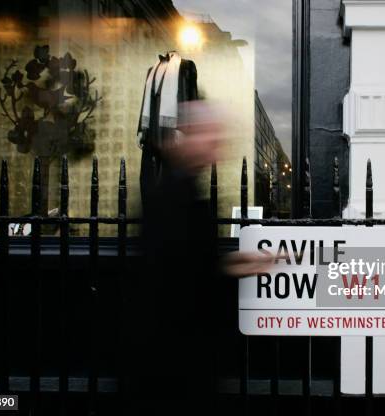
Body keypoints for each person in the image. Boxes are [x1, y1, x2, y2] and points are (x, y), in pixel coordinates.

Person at [124, 100, 272, 415]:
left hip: (182, 361)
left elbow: (194, 263)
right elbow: (177, 278)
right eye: (210, 137)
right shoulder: (170, 193)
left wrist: (241, 264)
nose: (215, 148)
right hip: (169, 365)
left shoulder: (188, 189)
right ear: (188, 136)